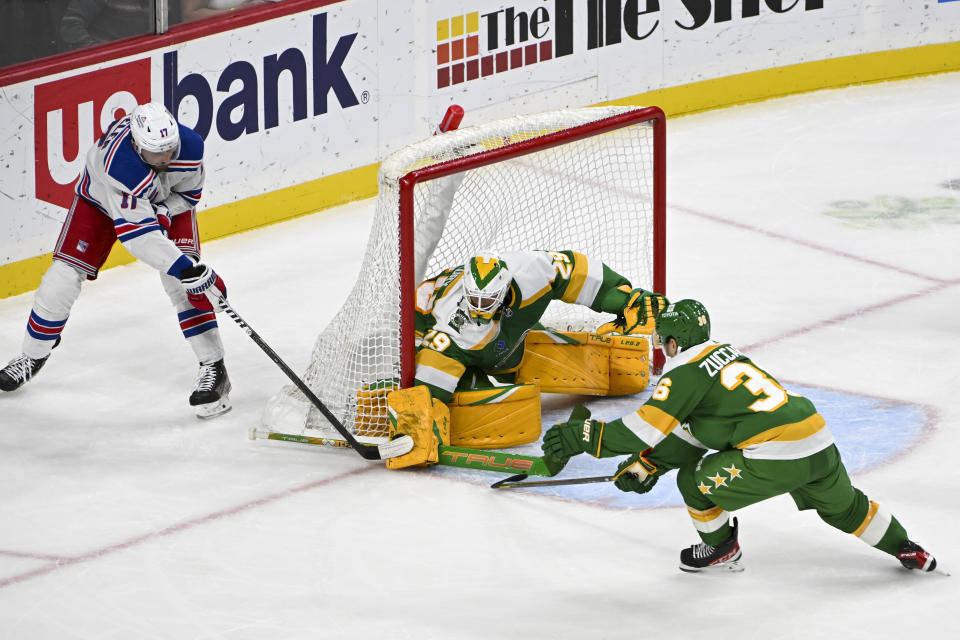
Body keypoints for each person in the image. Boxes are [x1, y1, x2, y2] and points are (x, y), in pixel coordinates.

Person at [542, 299, 939, 574]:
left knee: (693, 482)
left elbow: (638, 431)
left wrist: (585, 437)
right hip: (818, 440)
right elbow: (703, 429)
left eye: (662, 341)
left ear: (673, 342)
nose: (661, 348)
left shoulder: (683, 373)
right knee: (846, 509)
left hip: (777, 453)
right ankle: (908, 548)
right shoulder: (728, 355)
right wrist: (650, 463)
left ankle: (720, 549)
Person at [0, 102, 232, 419]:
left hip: (162, 203)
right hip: (99, 202)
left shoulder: (189, 146)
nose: (166, 158)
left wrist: (166, 214)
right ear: (137, 146)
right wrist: (187, 268)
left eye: (170, 148)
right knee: (62, 277)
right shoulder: (120, 165)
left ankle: (214, 368)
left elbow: (189, 196)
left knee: (183, 285)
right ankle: (32, 356)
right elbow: (138, 237)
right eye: (156, 153)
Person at [412, 250, 667, 403]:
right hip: (452, 347)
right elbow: (430, 378)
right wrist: (419, 415)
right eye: (474, 299)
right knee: (484, 410)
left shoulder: (531, 271)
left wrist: (623, 299)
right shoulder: (449, 322)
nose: (479, 307)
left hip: (512, 341)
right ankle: (470, 378)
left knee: (530, 353)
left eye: (487, 300)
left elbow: (573, 269)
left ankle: (511, 359)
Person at [60, 0, 155, 50]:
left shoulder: (163, 4)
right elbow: (70, 26)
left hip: (140, 64)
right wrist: (99, 53)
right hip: (102, 68)